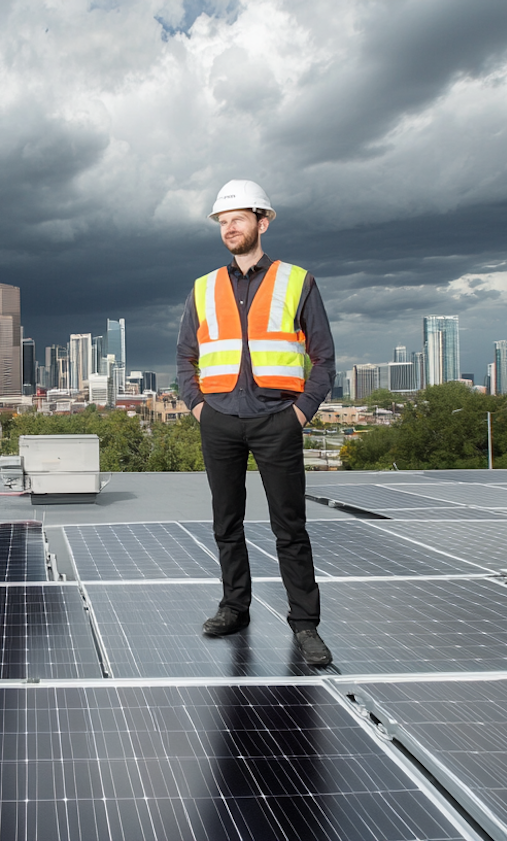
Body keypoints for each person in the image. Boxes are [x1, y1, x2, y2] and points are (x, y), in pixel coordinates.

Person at [176, 179, 336, 665]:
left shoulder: (297, 280)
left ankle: (305, 625)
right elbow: (186, 358)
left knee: (290, 526)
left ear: (262, 222)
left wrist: (299, 414)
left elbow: (323, 358)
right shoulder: (203, 288)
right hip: (219, 420)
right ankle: (234, 607)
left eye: (238, 220)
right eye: (223, 222)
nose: (229, 229)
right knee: (227, 522)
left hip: (276, 421)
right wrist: (199, 406)